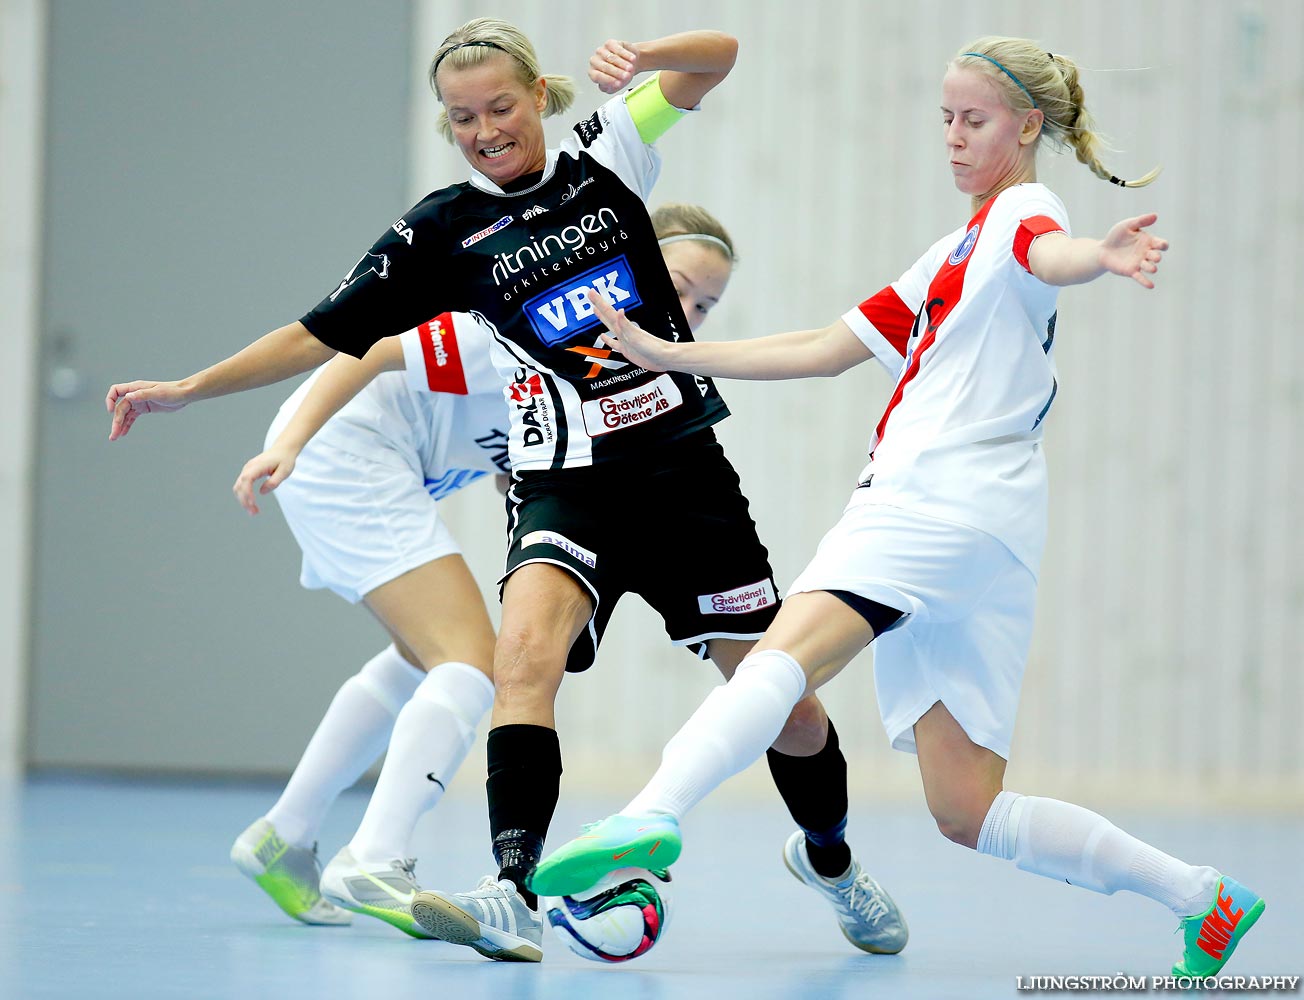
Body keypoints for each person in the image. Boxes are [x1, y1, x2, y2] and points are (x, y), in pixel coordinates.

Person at [105, 20, 905, 964]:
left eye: (500, 107)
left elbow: (719, 55)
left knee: (790, 705)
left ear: (538, 96)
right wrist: (193, 389)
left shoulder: (610, 153)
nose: (484, 129)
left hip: (684, 474)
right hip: (565, 482)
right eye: (461, 118)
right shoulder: (439, 230)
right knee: (520, 657)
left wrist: (645, 58)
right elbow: (324, 335)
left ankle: (832, 861)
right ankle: (511, 890)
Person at [528, 36, 1264, 981]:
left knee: (781, 658)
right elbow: (827, 345)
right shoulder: (957, 248)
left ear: (1028, 125)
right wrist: (673, 357)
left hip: (931, 497)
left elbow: (1051, 250)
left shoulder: (1023, 214)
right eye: (946, 119)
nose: (954, 138)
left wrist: (1100, 256)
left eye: (976, 121)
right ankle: (1204, 896)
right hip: (993, 534)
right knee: (969, 812)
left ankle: (651, 816)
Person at [225, 309, 507, 938]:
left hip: (375, 461)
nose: (688, 311)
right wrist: (289, 444)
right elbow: (372, 348)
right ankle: (373, 857)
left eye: (707, 303)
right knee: (470, 659)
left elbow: (512, 465)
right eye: (676, 285)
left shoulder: (615, 366)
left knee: (420, 659)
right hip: (346, 449)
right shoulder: (533, 317)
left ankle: (284, 835)